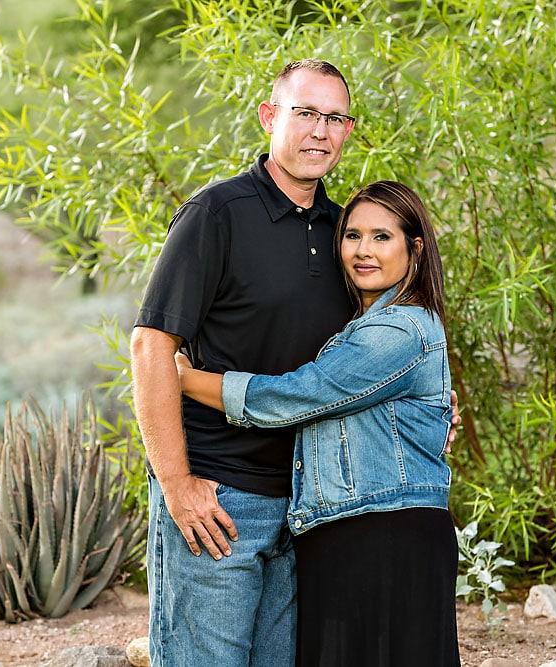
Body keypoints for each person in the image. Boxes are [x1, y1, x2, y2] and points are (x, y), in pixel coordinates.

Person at [130, 60, 459, 666]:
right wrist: (176, 484)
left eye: (334, 118)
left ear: (349, 131)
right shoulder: (218, 214)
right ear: (269, 118)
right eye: (305, 113)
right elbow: (151, 347)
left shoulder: (347, 236)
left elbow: (362, 364)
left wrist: (433, 404)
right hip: (219, 499)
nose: (319, 131)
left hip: (314, 508)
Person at [176, 180, 460, 666]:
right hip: (351, 533)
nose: (362, 251)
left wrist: (182, 378)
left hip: (386, 536)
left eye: (381, 237)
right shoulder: (367, 324)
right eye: (352, 236)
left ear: (414, 248)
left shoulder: (400, 328)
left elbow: (296, 397)